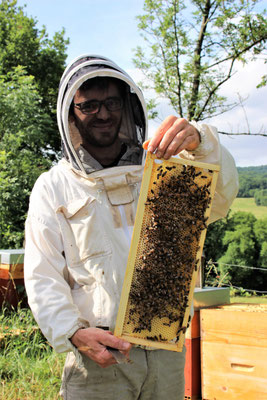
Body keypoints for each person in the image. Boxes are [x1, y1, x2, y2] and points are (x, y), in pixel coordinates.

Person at [24, 54, 239, 400]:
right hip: (99, 359)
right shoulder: (54, 187)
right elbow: (42, 275)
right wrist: (72, 332)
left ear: (127, 104)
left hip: (167, 351)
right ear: (70, 115)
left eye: (111, 102)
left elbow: (222, 195)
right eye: (89, 106)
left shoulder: (165, 168)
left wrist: (201, 141)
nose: (104, 114)